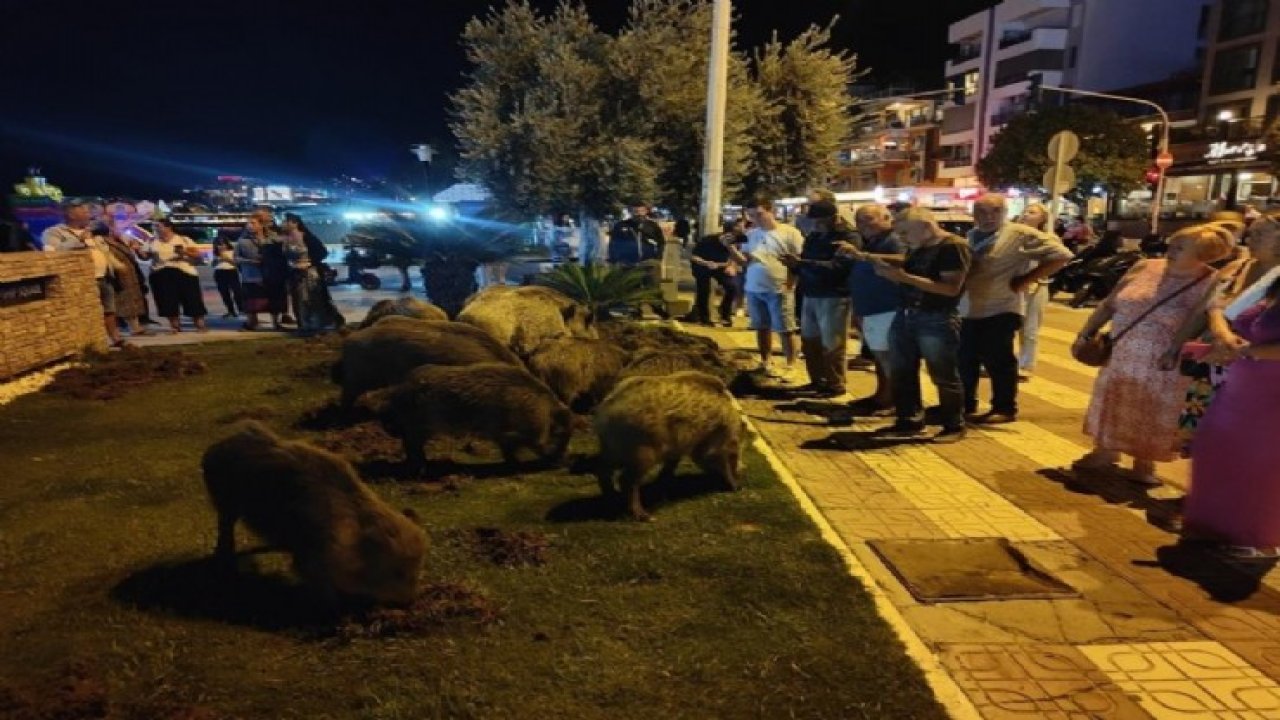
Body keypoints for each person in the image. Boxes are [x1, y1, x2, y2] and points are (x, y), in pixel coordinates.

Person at [1073, 225, 1229, 485]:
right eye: (1172, 245)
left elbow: (1199, 320)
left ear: (1202, 254)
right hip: (1122, 350)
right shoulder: (1145, 267)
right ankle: (1104, 452)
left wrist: (1175, 349)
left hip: (1162, 358)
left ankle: (1144, 463)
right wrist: (1087, 331)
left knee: (1152, 408)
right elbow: (1110, 302)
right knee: (1114, 399)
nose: (1171, 251)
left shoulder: (1210, 281)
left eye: (1180, 248)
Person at [1182, 277, 1280, 558]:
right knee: (1216, 449)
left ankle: (1255, 536)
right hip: (1240, 387)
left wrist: (1249, 351)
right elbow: (1228, 314)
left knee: (1258, 463)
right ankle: (1215, 526)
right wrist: (1226, 336)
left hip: (1271, 395)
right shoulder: (1272, 282)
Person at [959, 194, 1072, 424]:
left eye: (995, 211)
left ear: (1005, 212)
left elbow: (1062, 255)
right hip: (969, 309)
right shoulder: (972, 235)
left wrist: (1026, 280)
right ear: (974, 214)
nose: (989, 217)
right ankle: (964, 404)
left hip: (1001, 308)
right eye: (982, 212)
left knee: (998, 361)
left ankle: (1004, 408)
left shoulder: (1020, 234)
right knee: (965, 359)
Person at [1173, 215, 1280, 451]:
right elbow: (1206, 309)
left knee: (1245, 444)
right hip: (1214, 363)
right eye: (1251, 233)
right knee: (1205, 435)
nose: (1250, 239)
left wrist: (1242, 348)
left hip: (1256, 371)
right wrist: (1176, 346)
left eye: (1260, 235)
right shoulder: (1237, 267)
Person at [873, 207, 972, 443]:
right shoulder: (920, 246)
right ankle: (909, 420)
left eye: (906, 233)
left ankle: (954, 425)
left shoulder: (952, 247)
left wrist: (903, 278)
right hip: (907, 314)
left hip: (936, 317)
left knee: (943, 373)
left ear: (926, 226)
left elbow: (950, 288)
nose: (903, 239)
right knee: (902, 371)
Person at [726, 196, 805, 382]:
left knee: (785, 328)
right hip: (754, 288)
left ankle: (791, 364)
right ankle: (765, 361)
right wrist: (730, 248)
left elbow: (799, 261)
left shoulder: (790, 233)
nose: (756, 219)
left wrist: (791, 283)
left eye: (760, 214)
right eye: (752, 215)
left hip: (779, 287)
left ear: (771, 211)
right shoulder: (752, 235)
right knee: (761, 327)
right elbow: (744, 261)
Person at [838, 203, 906, 413]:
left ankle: (897, 401)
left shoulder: (894, 240)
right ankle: (882, 395)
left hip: (887, 307)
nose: (863, 224)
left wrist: (863, 257)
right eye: (859, 220)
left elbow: (904, 261)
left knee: (888, 358)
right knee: (879, 356)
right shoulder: (872, 242)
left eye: (869, 218)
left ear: (886, 218)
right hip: (871, 309)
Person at [783, 200, 855, 398]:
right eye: (813, 220)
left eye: (819, 220)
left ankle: (835, 384)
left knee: (833, 343)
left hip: (834, 296)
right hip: (810, 294)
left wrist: (803, 263)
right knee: (810, 341)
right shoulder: (814, 237)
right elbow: (804, 264)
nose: (815, 224)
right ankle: (817, 380)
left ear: (833, 218)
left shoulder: (847, 238)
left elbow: (839, 268)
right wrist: (794, 265)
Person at [43, 207, 127, 347]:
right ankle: (89, 342)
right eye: (85, 212)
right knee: (88, 311)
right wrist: (79, 241)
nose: (89, 215)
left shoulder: (93, 233)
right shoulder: (54, 232)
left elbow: (105, 253)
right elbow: (53, 251)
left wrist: (118, 265)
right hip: (81, 280)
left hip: (104, 277)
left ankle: (115, 338)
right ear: (71, 215)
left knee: (109, 309)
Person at [136, 219, 207, 333]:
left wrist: (184, 252)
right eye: (154, 227)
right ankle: (175, 326)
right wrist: (138, 251)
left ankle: (200, 325)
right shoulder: (152, 241)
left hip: (184, 272)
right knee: (167, 301)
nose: (156, 229)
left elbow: (198, 256)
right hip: (161, 273)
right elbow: (145, 257)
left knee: (192, 299)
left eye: (158, 226)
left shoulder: (183, 239)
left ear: (168, 227)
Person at [1015, 202, 1057, 380]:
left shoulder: (1049, 239)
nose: (1026, 215)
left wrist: (1036, 278)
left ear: (1042, 218)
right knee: (1007, 329)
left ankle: (1025, 365)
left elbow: (1057, 262)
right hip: (1014, 286)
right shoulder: (1013, 236)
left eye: (1032, 212)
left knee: (1030, 329)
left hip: (1038, 286)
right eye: (1025, 211)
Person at [281, 213, 344, 333]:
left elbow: (322, 252)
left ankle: (317, 323)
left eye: (287, 222)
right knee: (298, 299)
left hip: (309, 273)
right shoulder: (285, 239)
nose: (284, 224)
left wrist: (310, 262)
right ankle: (303, 324)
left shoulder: (306, 237)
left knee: (312, 298)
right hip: (294, 273)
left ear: (295, 223)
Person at [684, 219, 741, 327]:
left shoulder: (734, 243)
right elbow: (694, 256)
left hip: (720, 266)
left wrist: (731, 266)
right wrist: (706, 263)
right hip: (702, 265)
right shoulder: (708, 240)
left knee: (732, 287)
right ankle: (704, 317)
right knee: (704, 289)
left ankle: (725, 314)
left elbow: (734, 258)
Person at [99, 219, 150, 337]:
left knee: (131, 302)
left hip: (130, 275)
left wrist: (135, 248)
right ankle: (119, 330)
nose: (120, 231)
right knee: (118, 304)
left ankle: (135, 327)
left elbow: (137, 256)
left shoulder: (121, 241)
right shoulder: (104, 243)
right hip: (118, 276)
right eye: (116, 228)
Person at [235, 216, 278, 331]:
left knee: (272, 300)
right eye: (248, 223)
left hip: (268, 275)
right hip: (250, 275)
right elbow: (236, 258)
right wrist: (250, 261)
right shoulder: (242, 241)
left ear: (261, 225)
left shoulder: (271, 239)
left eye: (253, 223)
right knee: (250, 301)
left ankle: (276, 323)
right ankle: (252, 322)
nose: (250, 225)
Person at [212, 229, 244, 319]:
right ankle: (231, 311)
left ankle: (241, 309)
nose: (221, 246)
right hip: (219, 273)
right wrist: (218, 259)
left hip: (231, 272)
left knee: (237, 292)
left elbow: (236, 263)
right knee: (224, 293)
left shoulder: (232, 251)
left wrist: (226, 258)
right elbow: (213, 265)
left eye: (223, 244)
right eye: (218, 244)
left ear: (227, 244)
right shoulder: (215, 254)